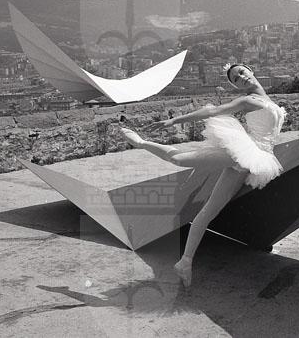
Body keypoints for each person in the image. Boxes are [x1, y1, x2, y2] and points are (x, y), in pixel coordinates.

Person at [120, 63, 286, 287]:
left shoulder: (268, 101)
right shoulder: (248, 101)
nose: (241, 77)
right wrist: (174, 120)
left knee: (210, 210)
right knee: (180, 159)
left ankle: (185, 262)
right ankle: (141, 142)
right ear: (236, 87)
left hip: (255, 158)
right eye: (236, 79)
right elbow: (212, 111)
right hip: (247, 152)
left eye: (242, 72)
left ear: (251, 70)